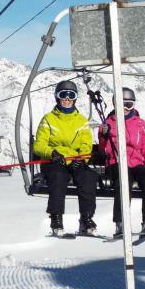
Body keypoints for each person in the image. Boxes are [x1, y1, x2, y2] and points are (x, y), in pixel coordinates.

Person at [33, 80, 98, 236]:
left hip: (76, 160)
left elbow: (86, 144)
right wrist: (52, 153)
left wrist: (82, 159)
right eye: (64, 95)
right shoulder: (48, 119)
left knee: (88, 177)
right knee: (58, 176)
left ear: (75, 98)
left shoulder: (81, 121)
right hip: (55, 161)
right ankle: (56, 218)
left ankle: (86, 218)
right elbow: (39, 145)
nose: (67, 99)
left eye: (71, 95)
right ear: (57, 97)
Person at [99, 87, 145, 237]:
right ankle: (121, 223)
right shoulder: (107, 124)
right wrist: (104, 135)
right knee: (124, 181)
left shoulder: (140, 123)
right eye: (121, 104)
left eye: (129, 104)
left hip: (137, 163)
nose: (125, 108)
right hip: (117, 162)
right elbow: (103, 149)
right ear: (115, 104)